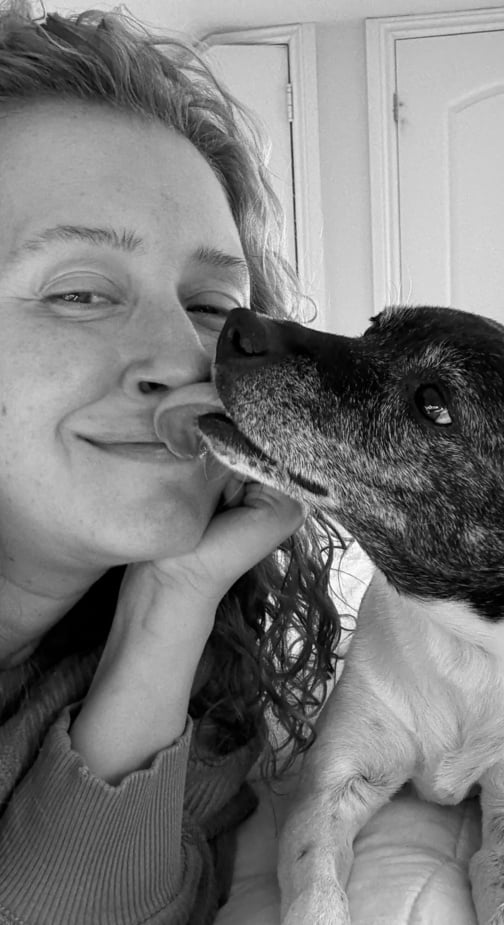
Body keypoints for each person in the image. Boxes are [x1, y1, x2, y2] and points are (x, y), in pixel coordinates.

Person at [0, 2, 343, 923]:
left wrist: (171, 604)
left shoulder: (204, 663)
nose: (180, 357)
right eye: (78, 292)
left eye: (207, 303)